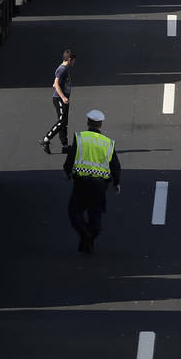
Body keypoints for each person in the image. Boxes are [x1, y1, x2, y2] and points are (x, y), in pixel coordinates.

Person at [62, 109, 121, 254]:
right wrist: (116, 182)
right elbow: (115, 165)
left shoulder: (80, 137)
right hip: (100, 185)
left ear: (88, 122)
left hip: (81, 182)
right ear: (100, 124)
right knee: (95, 213)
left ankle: (85, 234)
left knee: (75, 211)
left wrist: (67, 172)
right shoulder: (108, 143)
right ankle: (90, 237)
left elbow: (70, 159)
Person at [40, 49, 76, 154]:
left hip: (63, 99)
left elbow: (56, 82)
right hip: (59, 99)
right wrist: (63, 97)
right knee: (62, 122)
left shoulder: (63, 69)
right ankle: (45, 139)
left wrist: (56, 85)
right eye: (74, 60)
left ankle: (65, 146)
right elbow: (56, 83)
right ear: (69, 59)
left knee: (64, 123)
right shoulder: (62, 69)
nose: (74, 62)